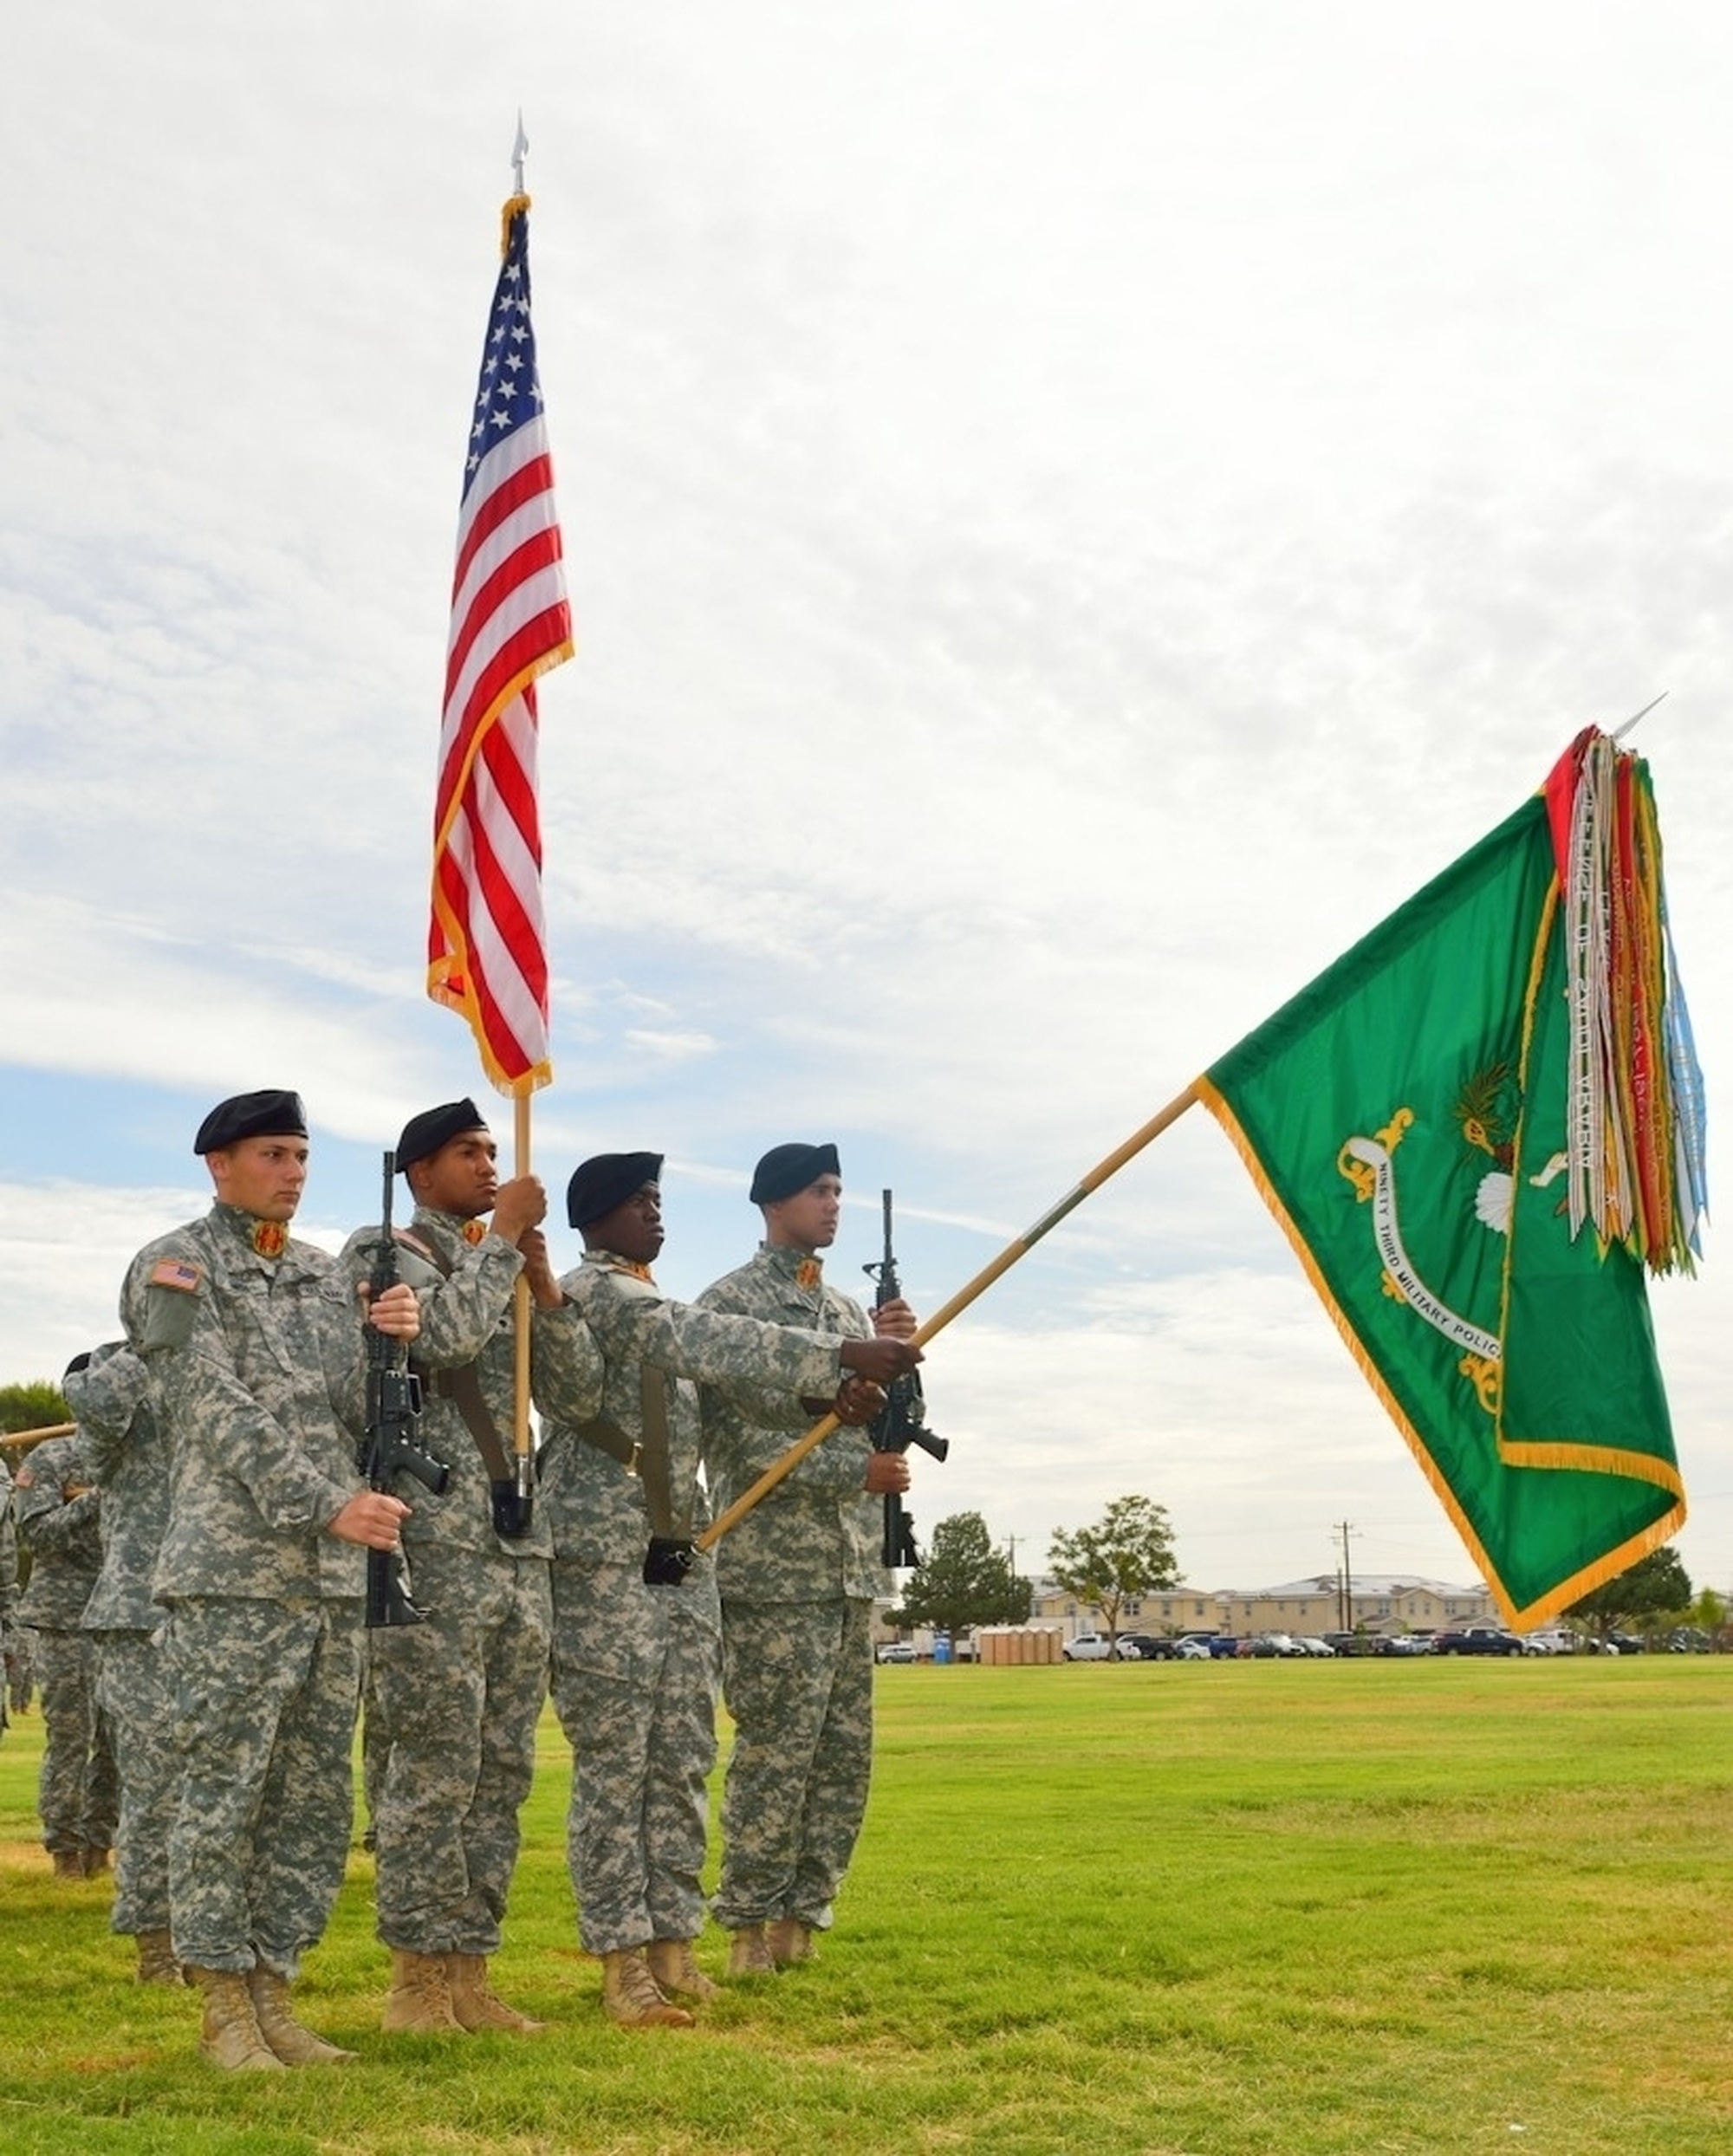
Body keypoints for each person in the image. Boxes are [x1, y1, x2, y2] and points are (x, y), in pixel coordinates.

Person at [536, 1153, 918, 2029]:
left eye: (659, 1200)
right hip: (604, 1554)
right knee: (617, 1769)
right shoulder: (595, 1291)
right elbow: (703, 1341)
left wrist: (835, 1394)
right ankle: (622, 1960)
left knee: (677, 1761)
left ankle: (671, 1949)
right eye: (638, 1203)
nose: (656, 1215)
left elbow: (734, 1407)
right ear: (594, 1218)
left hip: (679, 1549)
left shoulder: (652, 1294)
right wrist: (837, 1353)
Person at [120, 1088, 422, 2073]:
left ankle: (275, 1993)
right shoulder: (174, 1265)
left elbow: (347, 1404)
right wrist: (322, 1501)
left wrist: (392, 1336)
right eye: (273, 1153)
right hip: (231, 1575)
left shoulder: (323, 1274)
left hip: (332, 1577)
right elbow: (209, 1403)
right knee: (223, 1787)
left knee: (309, 1799)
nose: (294, 1170)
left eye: (300, 1154)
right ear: (219, 1163)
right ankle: (222, 2010)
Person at [341, 1097, 600, 2038]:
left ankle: (471, 1971)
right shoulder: (387, 1249)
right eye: (467, 1151)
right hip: (437, 1546)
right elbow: (438, 1338)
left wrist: (539, 1275)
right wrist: (503, 1244)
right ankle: (415, 1980)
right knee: (430, 1767)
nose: (490, 1164)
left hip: (515, 1543)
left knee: (501, 1770)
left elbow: (576, 1392)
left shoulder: (504, 1258)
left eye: (495, 1149)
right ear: (420, 1172)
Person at [697, 1142, 918, 1976]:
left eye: (837, 1191)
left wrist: (900, 1351)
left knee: (840, 1758)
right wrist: (846, 1467)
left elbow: (879, 1421)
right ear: (773, 1202)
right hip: (771, 1574)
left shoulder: (845, 1313)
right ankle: (749, 1924)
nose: (832, 1205)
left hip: (847, 1569)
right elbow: (730, 1441)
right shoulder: (728, 1307)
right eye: (818, 1191)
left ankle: (804, 1915)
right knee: (776, 1753)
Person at [65, 1340, 184, 1983]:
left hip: (218, 1605)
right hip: (139, 1614)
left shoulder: (223, 1358)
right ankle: (157, 1946)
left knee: (222, 1786)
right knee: (156, 1789)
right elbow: (90, 1406)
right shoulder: (118, 1365)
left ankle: (209, 1937)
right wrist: (154, 1339)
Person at [12, 1402, 117, 1880]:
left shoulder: (125, 1452)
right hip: (65, 1619)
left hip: (124, 1615)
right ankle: (65, 1850)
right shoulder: (50, 1458)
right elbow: (37, 1532)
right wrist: (96, 1502)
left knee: (119, 1744)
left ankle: (102, 1843)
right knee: (72, 1739)